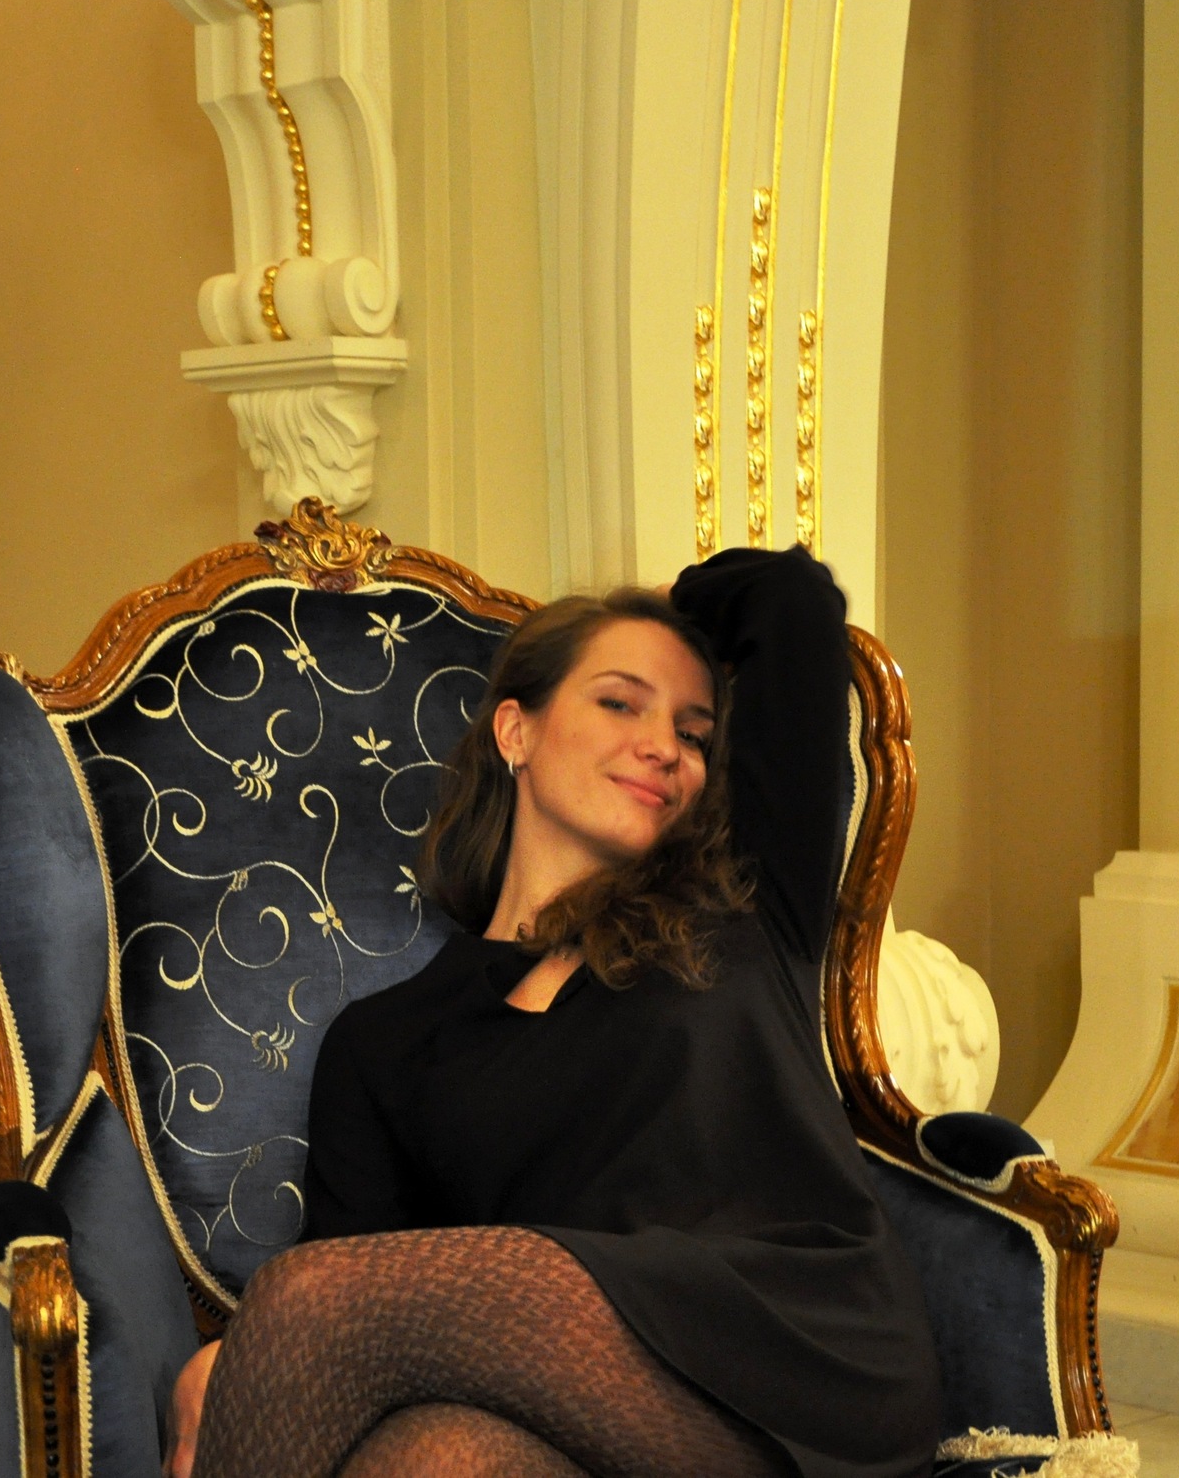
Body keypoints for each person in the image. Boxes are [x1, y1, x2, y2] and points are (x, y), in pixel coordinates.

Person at [167, 547, 945, 1478]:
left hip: (802, 1354)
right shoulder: (385, 1043)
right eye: (620, 703)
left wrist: (666, 605)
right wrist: (239, 1369)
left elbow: (792, 599)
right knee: (435, 1459)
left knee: (295, 1306)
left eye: (693, 733)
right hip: (594, 1416)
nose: (664, 746)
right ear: (516, 731)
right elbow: (362, 1286)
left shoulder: (745, 907)